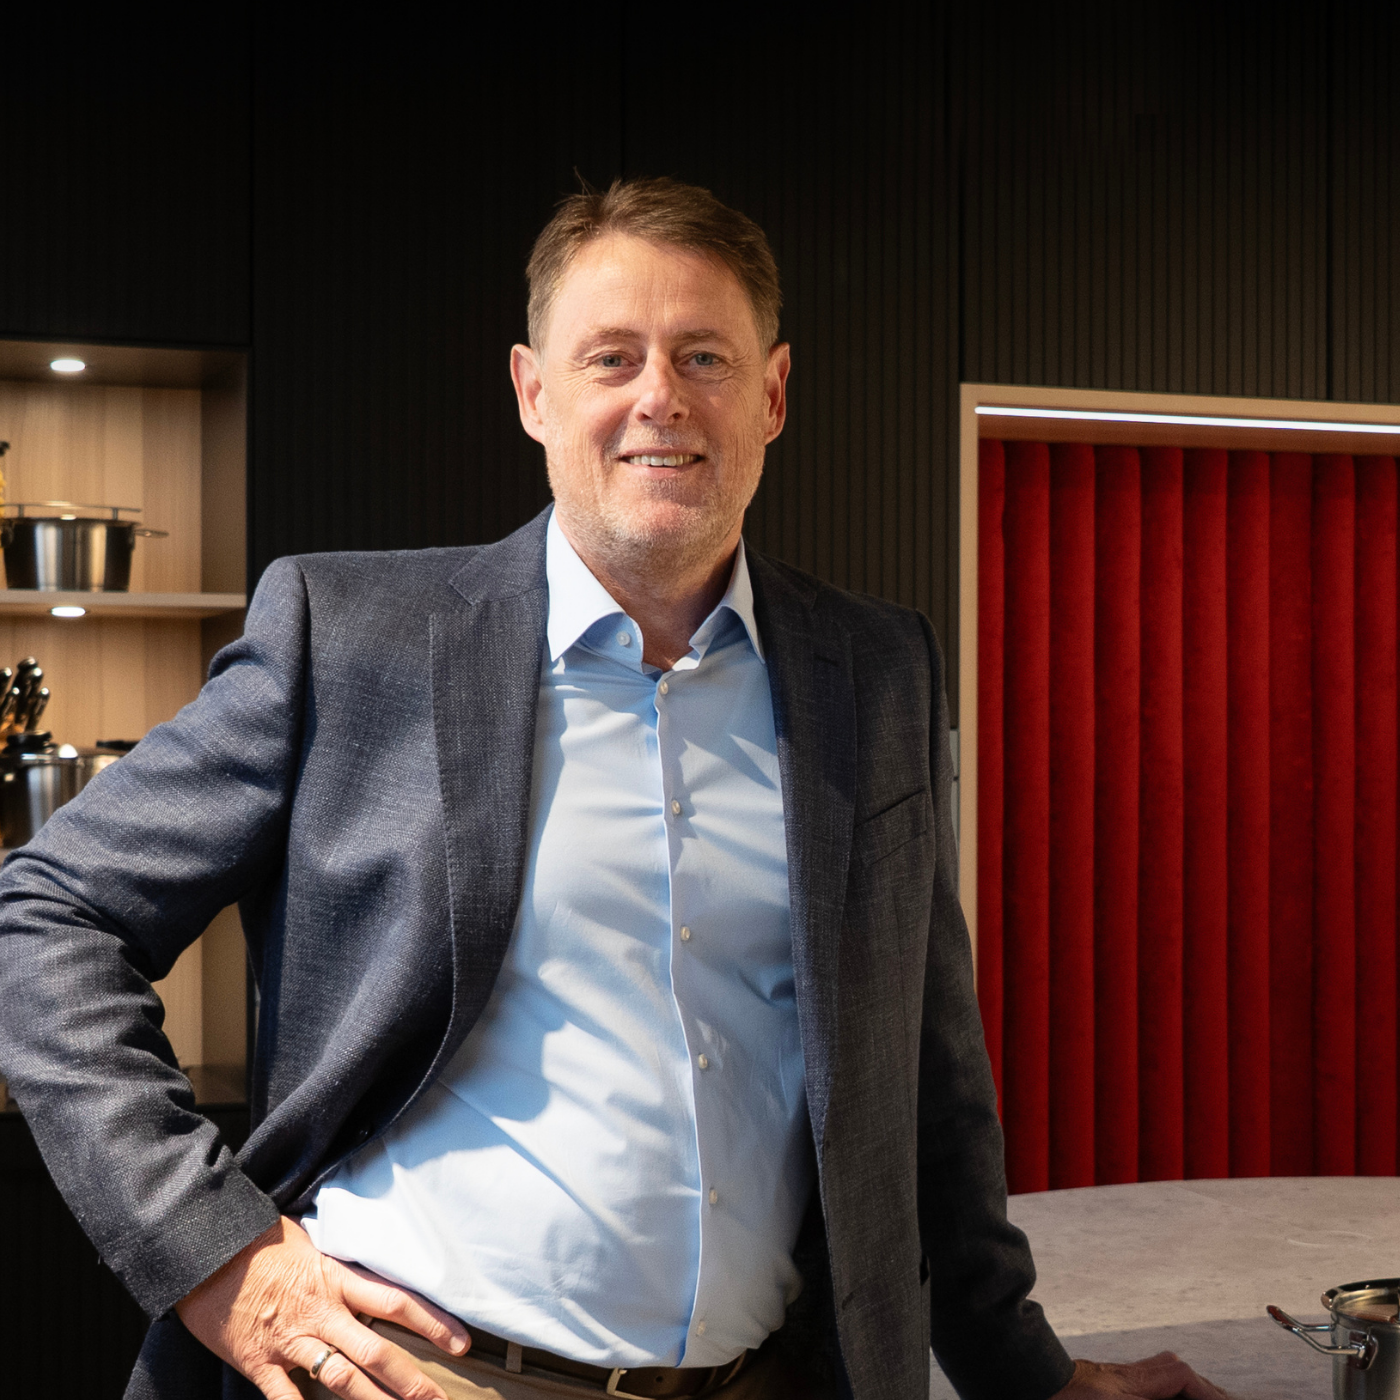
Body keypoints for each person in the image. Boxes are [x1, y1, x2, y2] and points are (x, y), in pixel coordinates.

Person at [0, 179, 1226, 1400]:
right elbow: (48, 913)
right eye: (611, 357)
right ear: (533, 392)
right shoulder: (351, 636)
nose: (659, 397)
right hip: (421, 1376)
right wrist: (216, 1248)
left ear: (772, 394)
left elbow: (923, 1071)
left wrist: (1029, 1376)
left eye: (703, 356)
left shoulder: (873, 670)